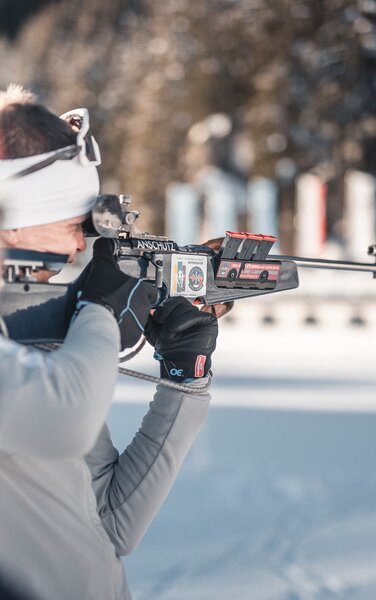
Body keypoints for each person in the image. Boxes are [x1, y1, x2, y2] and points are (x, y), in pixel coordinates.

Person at [0, 84, 218, 600]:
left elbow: (113, 525)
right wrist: (98, 307)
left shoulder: (33, 344)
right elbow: (67, 418)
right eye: (74, 225)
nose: (81, 243)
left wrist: (185, 381)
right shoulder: (56, 384)